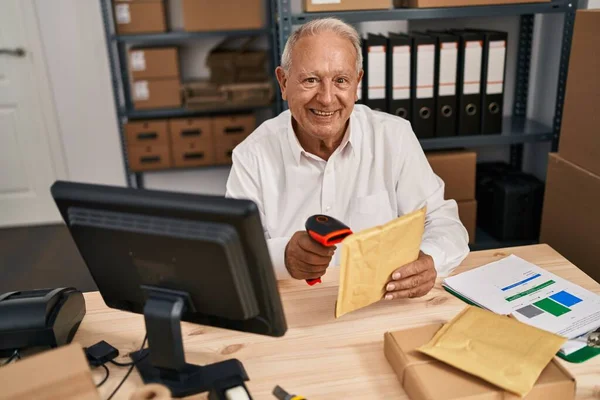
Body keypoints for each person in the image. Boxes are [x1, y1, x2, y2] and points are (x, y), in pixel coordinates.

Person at [226, 18, 469, 300]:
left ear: (357, 84)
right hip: (295, 307)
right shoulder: (251, 155)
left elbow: (444, 222)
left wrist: (430, 260)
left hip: (381, 303)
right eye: (311, 80)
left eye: (341, 80)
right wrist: (283, 258)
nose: (327, 99)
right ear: (283, 82)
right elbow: (235, 250)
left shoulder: (394, 137)